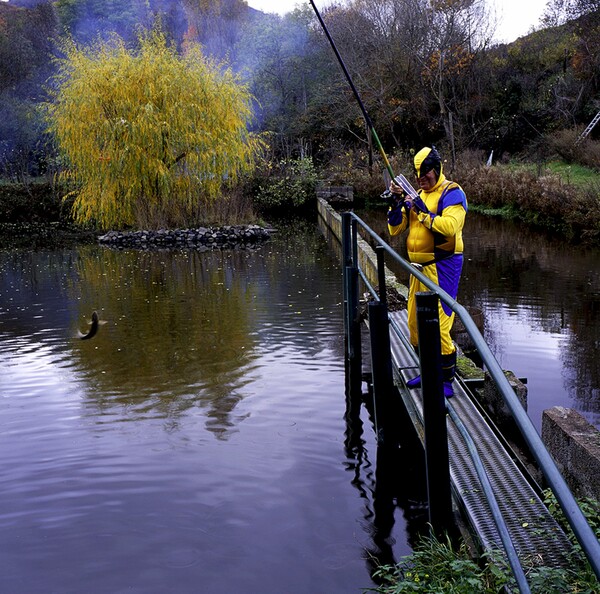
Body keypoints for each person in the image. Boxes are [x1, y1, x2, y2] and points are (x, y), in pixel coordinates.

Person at [387, 146, 467, 398]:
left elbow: (450, 227)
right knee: (414, 322)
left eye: (427, 175)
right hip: (418, 270)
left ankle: (445, 380)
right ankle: (427, 370)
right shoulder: (417, 194)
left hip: (442, 266)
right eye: (419, 176)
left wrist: (421, 210)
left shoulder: (452, 192)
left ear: (437, 169)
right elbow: (395, 230)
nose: (423, 180)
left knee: (441, 325)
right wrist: (397, 202)